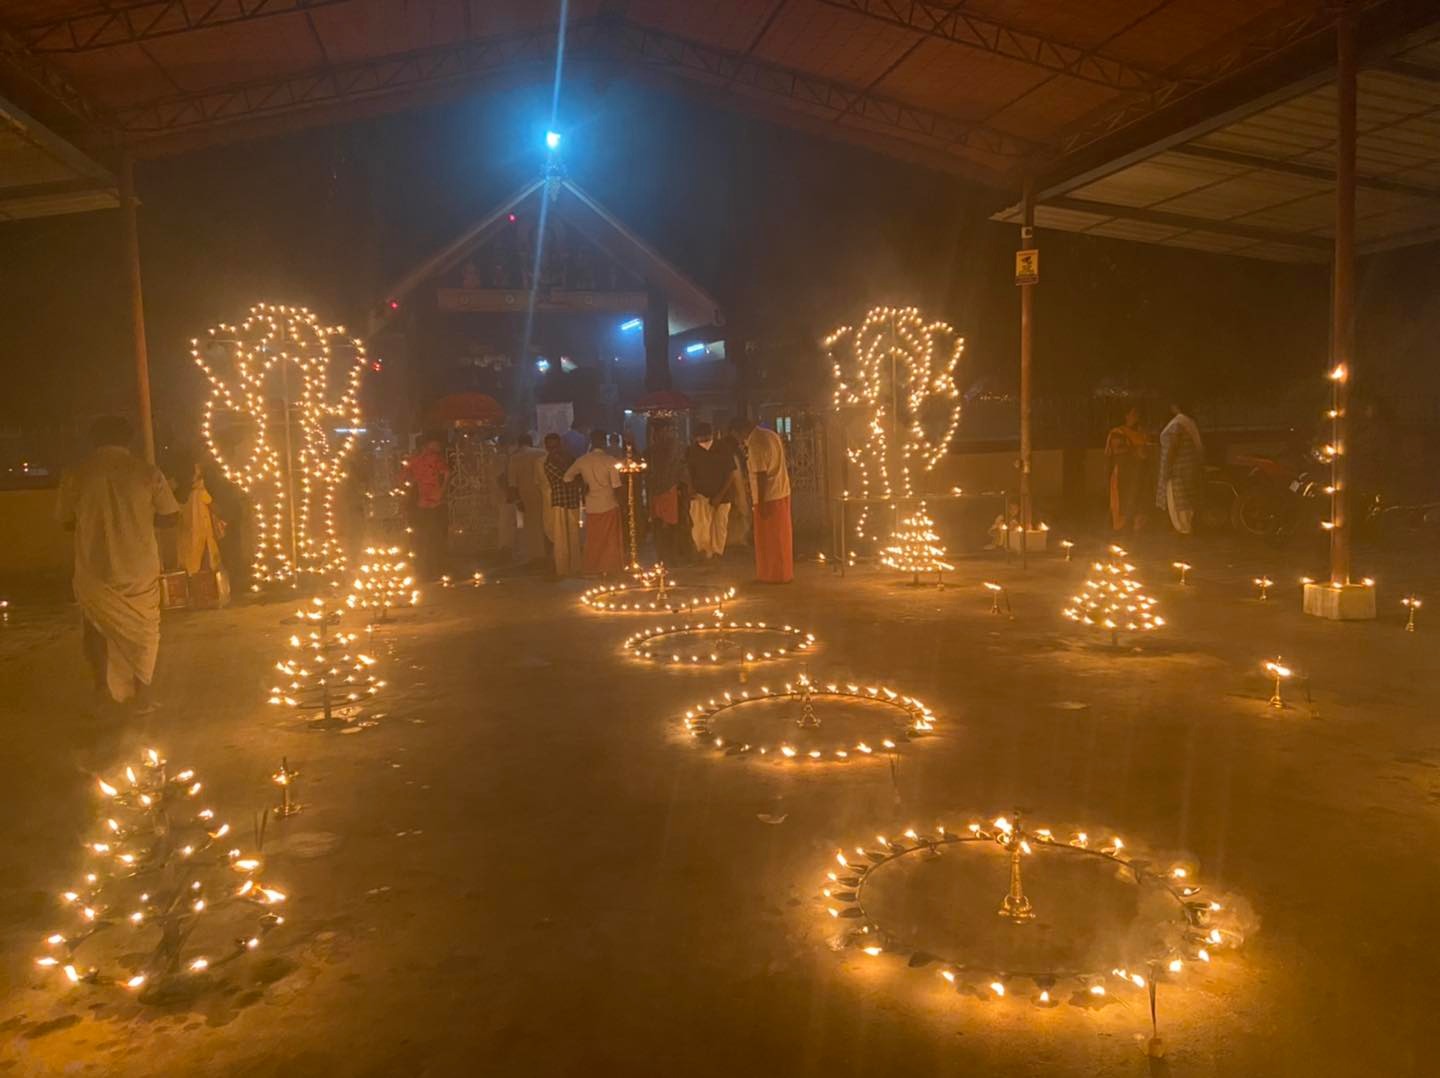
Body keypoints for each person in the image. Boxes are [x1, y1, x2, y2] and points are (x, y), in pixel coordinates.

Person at [56, 415, 180, 711]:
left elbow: (65, 522)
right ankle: (143, 695)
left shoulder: (76, 474)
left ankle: (101, 689)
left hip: (94, 567)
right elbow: (171, 515)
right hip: (139, 567)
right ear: (128, 440)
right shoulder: (147, 473)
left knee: (96, 627)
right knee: (145, 630)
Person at [730, 417, 793, 583]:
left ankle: (772, 574)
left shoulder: (756, 443)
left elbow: (761, 475)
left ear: (741, 431)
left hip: (769, 496)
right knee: (781, 536)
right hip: (781, 491)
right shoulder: (770, 434)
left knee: (769, 538)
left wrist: (762, 502)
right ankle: (783, 572)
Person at [565, 430, 624, 575]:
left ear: (591, 442)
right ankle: (610, 568)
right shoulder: (610, 460)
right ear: (605, 442)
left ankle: (592, 568)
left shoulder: (582, 460)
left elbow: (567, 478)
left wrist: (581, 486)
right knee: (610, 539)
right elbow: (616, 485)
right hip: (609, 503)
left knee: (593, 539)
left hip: (591, 505)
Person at [684, 422, 737, 558]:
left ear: (711, 434)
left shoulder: (723, 448)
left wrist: (720, 495)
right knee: (701, 526)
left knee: (719, 526)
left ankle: (717, 554)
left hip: (723, 495)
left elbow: (730, 473)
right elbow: (688, 471)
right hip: (701, 495)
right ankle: (704, 553)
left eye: (705, 437)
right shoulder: (692, 450)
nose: (703, 441)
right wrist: (690, 487)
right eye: (699, 438)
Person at [404, 434, 450, 579]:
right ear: (429, 444)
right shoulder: (436, 459)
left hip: (420, 503)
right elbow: (448, 473)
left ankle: (423, 571)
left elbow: (404, 478)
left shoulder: (413, 459)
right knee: (435, 538)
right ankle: (435, 570)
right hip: (434, 503)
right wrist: (442, 491)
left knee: (421, 538)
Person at [1156, 399, 1204, 535]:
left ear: (1175, 406)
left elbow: (1174, 445)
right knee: (1186, 497)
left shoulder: (1178, 423)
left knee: (1177, 498)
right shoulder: (1189, 422)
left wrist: (1168, 466)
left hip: (1178, 467)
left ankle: (1182, 528)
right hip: (1188, 466)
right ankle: (1185, 527)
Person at [539, 433, 582, 577]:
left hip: (572, 500)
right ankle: (563, 569)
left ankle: (575, 567)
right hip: (559, 501)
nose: (554, 450)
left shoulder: (570, 458)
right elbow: (567, 479)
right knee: (560, 537)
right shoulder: (548, 462)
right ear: (546, 447)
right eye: (550, 447)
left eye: (556, 446)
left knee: (574, 535)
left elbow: (576, 477)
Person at [1105, 404, 1149, 533]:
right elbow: (1118, 450)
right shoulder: (1117, 432)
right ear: (1126, 415)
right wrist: (1136, 451)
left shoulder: (1140, 432)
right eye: (1133, 413)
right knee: (1122, 500)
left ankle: (1136, 527)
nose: (1136, 417)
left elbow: (1145, 450)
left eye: (1137, 414)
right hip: (1123, 473)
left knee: (1137, 498)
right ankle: (1121, 528)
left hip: (1138, 473)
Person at [645, 419, 684, 565]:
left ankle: (670, 556)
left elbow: (677, 467)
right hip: (656, 490)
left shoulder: (674, 446)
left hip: (669, 489)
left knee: (669, 524)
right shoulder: (652, 449)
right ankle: (662, 556)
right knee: (658, 523)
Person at [507, 433, 548, 568]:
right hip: (545, 492)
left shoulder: (515, 458)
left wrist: (517, 500)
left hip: (526, 494)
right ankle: (549, 553)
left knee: (531, 525)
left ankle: (536, 555)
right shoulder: (542, 453)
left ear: (519, 444)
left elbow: (512, 483)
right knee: (547, 522)